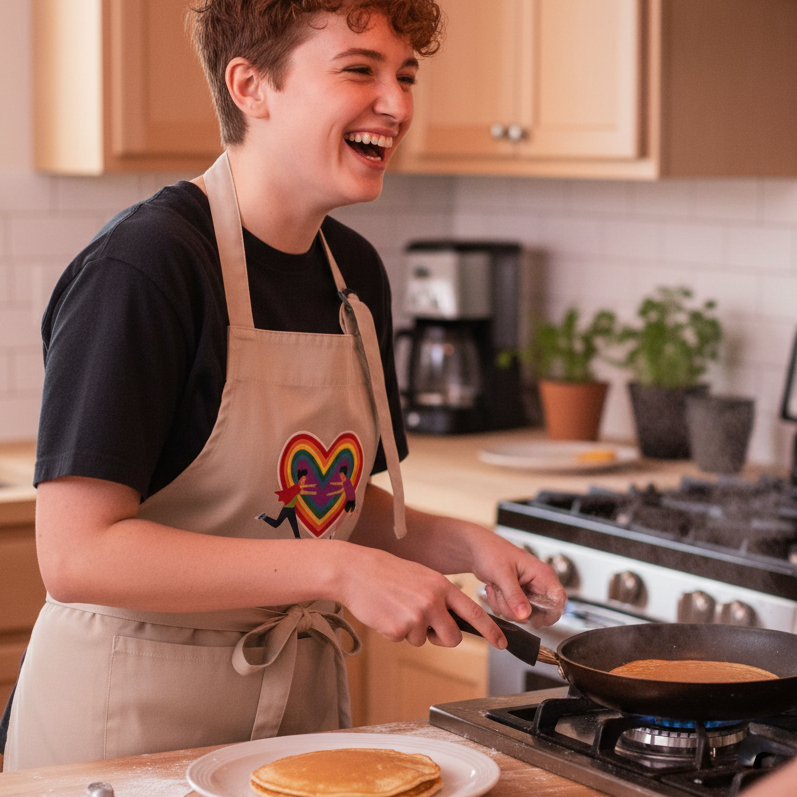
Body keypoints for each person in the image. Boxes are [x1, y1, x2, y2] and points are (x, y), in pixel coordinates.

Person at [1, 0, 566, 771]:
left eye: (404, 75)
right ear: (250, 86)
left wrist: (466, 545)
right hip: (123, 733)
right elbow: (77, 553)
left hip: (290, 726)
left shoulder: (356, 274)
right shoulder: (147, 267)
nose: (397, 104)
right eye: (359, 70)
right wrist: (335, 569)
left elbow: (314, 502)